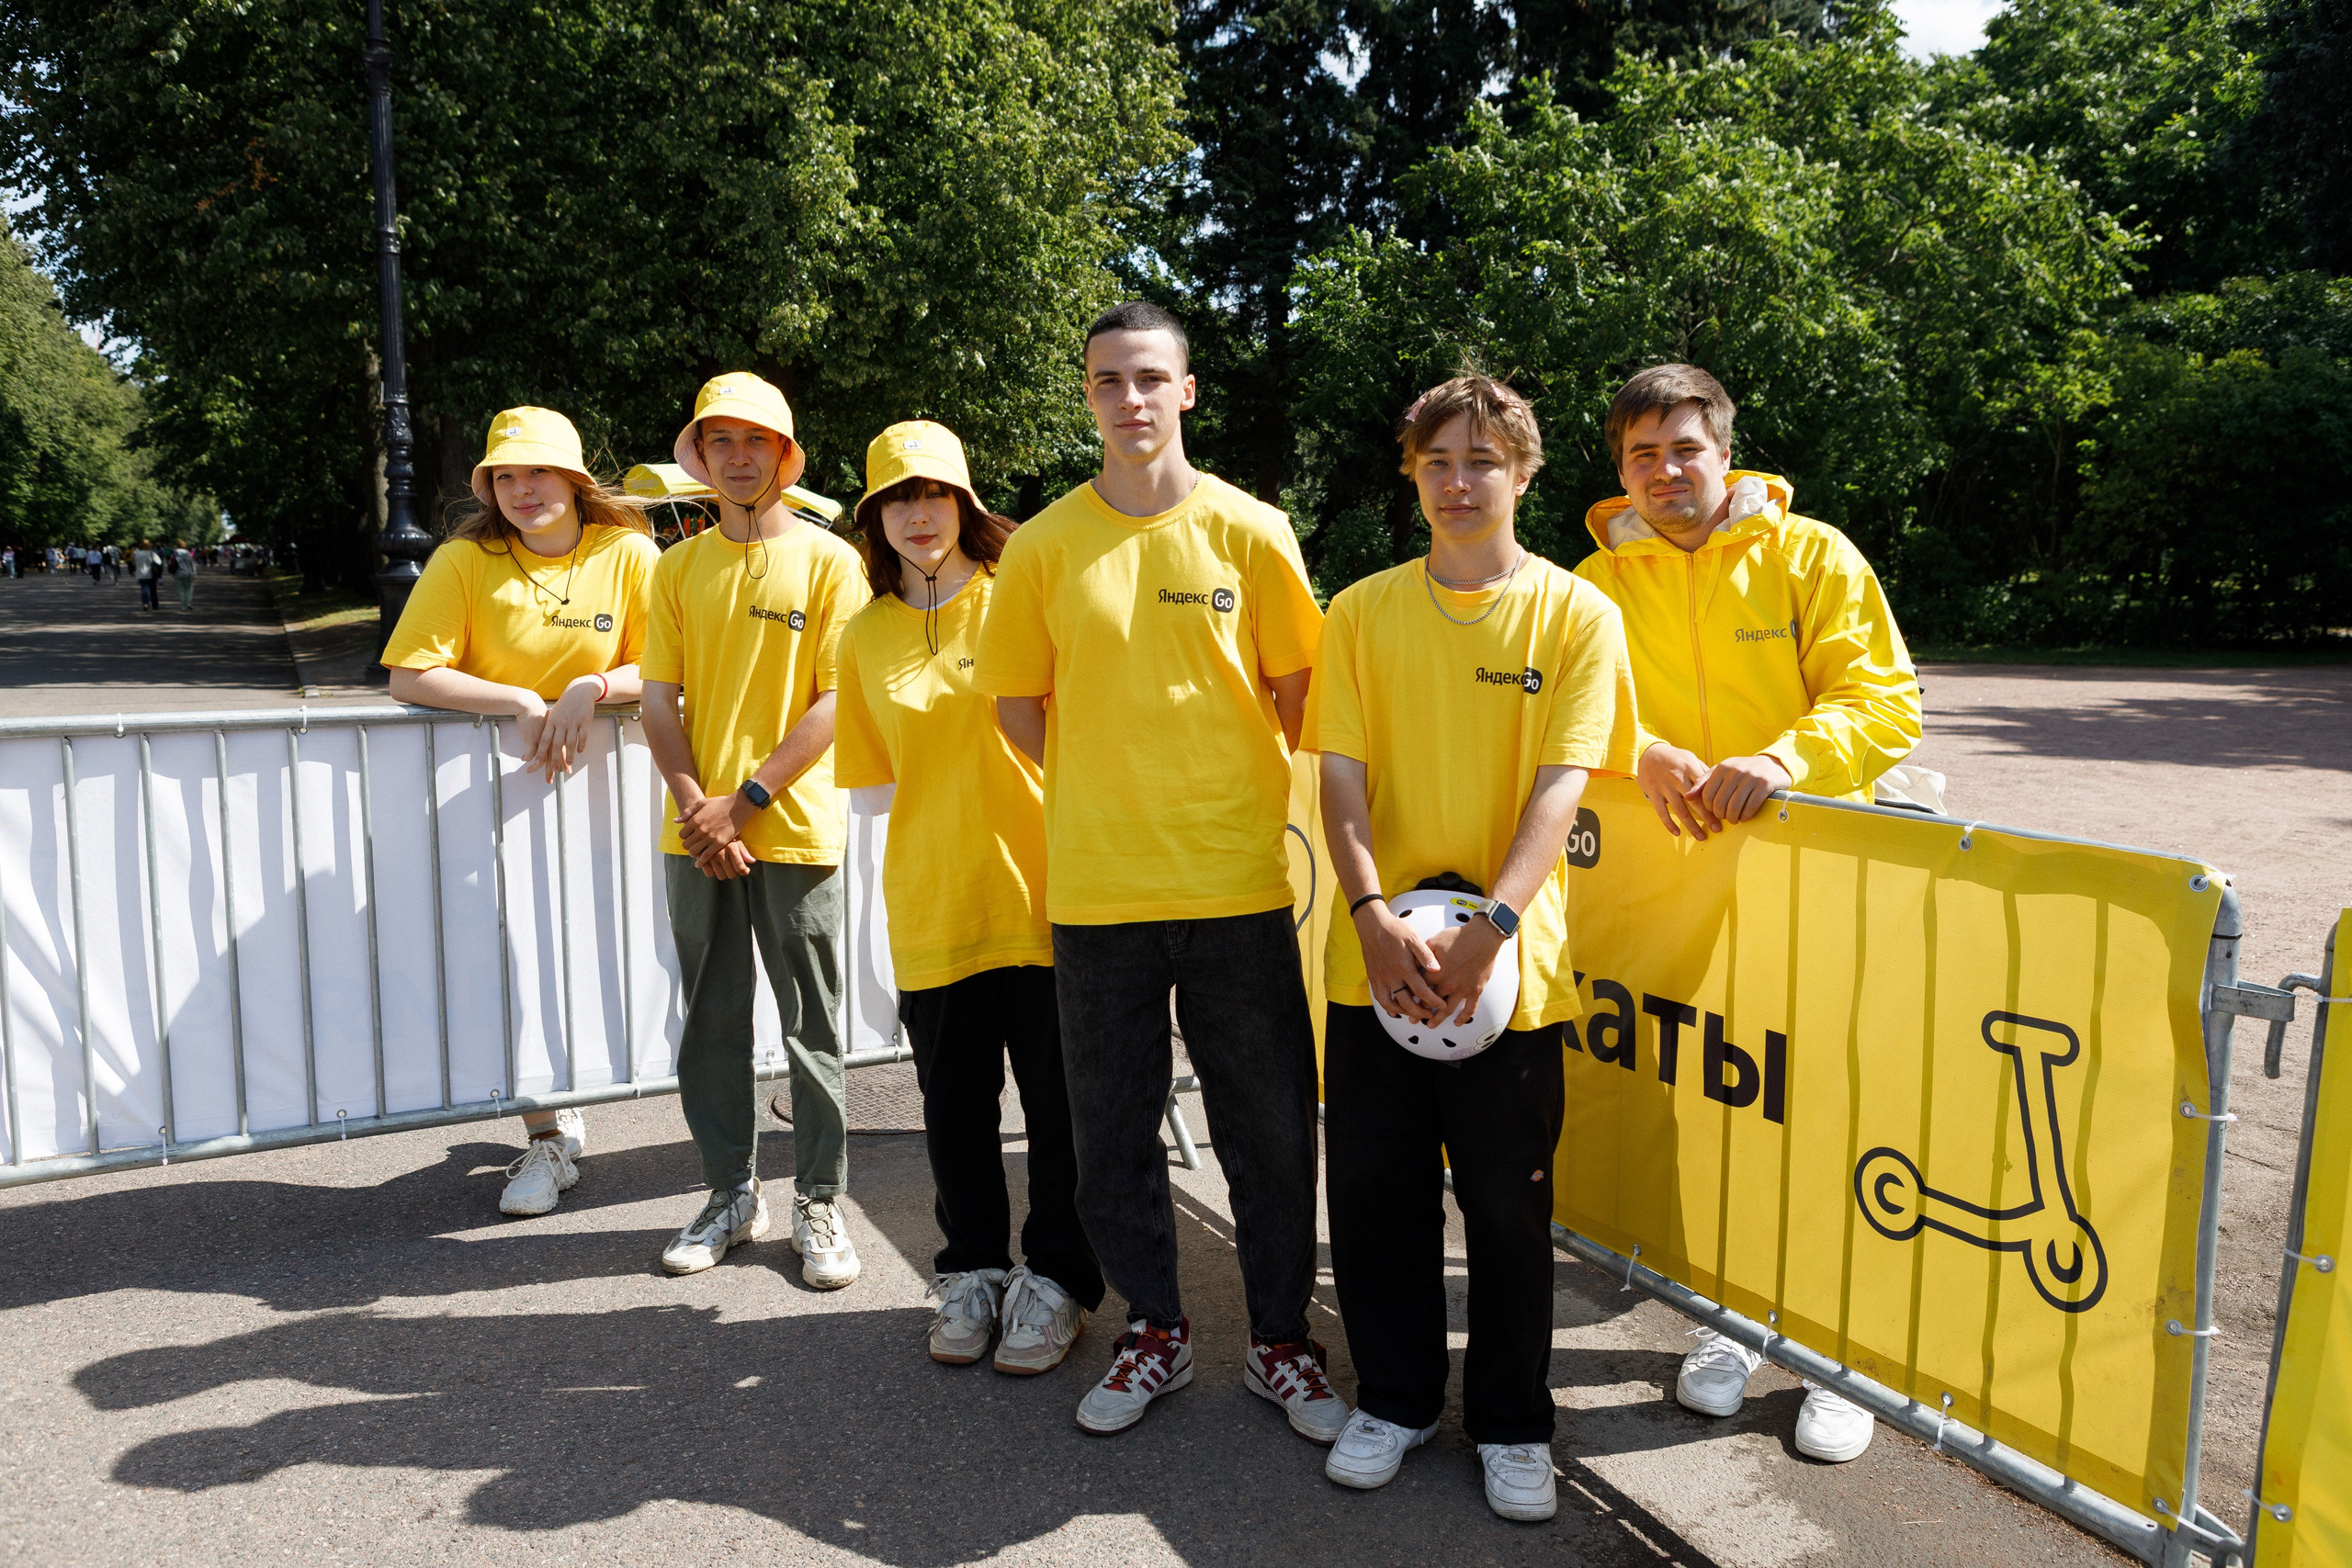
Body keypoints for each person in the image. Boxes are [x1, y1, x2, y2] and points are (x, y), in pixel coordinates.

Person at [975, 301, 1343, 1442]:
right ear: (1086, 394)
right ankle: (1156, 1331)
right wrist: (1101, 781)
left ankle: (1280, 1340)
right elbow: (1016, 705)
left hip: (1238, 885)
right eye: (1107, 381)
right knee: (1109, 1136)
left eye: (1148, 379)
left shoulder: (1251, 529)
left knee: (1268, 1133)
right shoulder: (1042, 544)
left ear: (1186, 391)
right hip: (1099, 893)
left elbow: (1301, 699)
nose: (1128, 399)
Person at [1573, 363, 1922, 1464]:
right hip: (1665, 893)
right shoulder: (1592, 581)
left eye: (1685, 448)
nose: (1665, 471)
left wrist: (1781, 759)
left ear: (1724, 450)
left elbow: (1885, 701)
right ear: (1620, 467)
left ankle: (1838, 1355)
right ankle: (1725, 1316)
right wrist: (1640, 750)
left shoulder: (1813, 554)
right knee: (1712, 1107)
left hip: (1811, 890)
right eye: (1642, 453)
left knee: (1821, 1112)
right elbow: (1564, 710)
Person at [1306, 373, 1638, 1521]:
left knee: (1505, 1212)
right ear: (1412, 474)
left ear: (1523, 473)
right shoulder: (1359, 612)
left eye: (1482, 462)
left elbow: (1560, 787)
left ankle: (1510, 1423)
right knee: (1374, 1197)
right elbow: (1338, 779)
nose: (1458, 482)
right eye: (1437, 462)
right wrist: (1368, 914)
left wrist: (1493, 925)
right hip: (1376, 961)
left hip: (1506, 973)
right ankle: (1393, 1401)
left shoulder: (1577, 614)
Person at [834, 420, 1104, 1373]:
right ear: (875, 519)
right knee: (953, 1111)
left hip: (1047, 896)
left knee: (1060, 1112)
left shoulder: (1022, 594)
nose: (919, 513)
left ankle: (1059, 1279)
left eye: (935, 493)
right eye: (898, 499)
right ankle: (971, 1272)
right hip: (933, 900)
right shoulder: (862, 634)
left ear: (965, 503)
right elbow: (875, 792)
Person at [383, 405, 660, 1216]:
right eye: (504, 475)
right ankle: (546, 1135)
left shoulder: (628, 553)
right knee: (513, 963)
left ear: (574, 478)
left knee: (617, 949)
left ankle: (689, 1119)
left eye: (537, 470)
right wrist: (516, 699)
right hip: (494, 805)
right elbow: (409, 674)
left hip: (609, 801)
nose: (521, 488)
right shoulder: (463, 560)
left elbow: (668, 662)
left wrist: (590, 686)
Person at [639, 372, 869, 1289]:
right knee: (712, 1021)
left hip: (792, 824)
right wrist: (700, 807)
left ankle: (820, 1199)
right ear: (699, 455)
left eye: (756, 441)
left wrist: (746, 801)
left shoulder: (831, 561)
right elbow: (658, 700)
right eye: (720, 441)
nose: (738, 458)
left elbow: (837, 700)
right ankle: (730, 1192)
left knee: (813, 1023)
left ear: (785, 453)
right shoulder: (676, 567)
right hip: (696, 830)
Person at [131, 541, 160, 610]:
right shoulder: (151, 553)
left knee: (144, 588)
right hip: (151, 574)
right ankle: (155, 605)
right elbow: (159, 562)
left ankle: (145, 604)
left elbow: (133, 563)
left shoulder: (136, 553)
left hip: (140, 574)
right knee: (153, 590)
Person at [171, 541, 198, 608]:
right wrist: (194, 574)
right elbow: (192, 564)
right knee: (188, 588)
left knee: (180, 589)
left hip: (178, 573)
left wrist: (172, 573)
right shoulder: (188, 554)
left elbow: (171, 563)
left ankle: (183, 605)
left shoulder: (174, 553)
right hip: (188, 573)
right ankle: (188, 602)